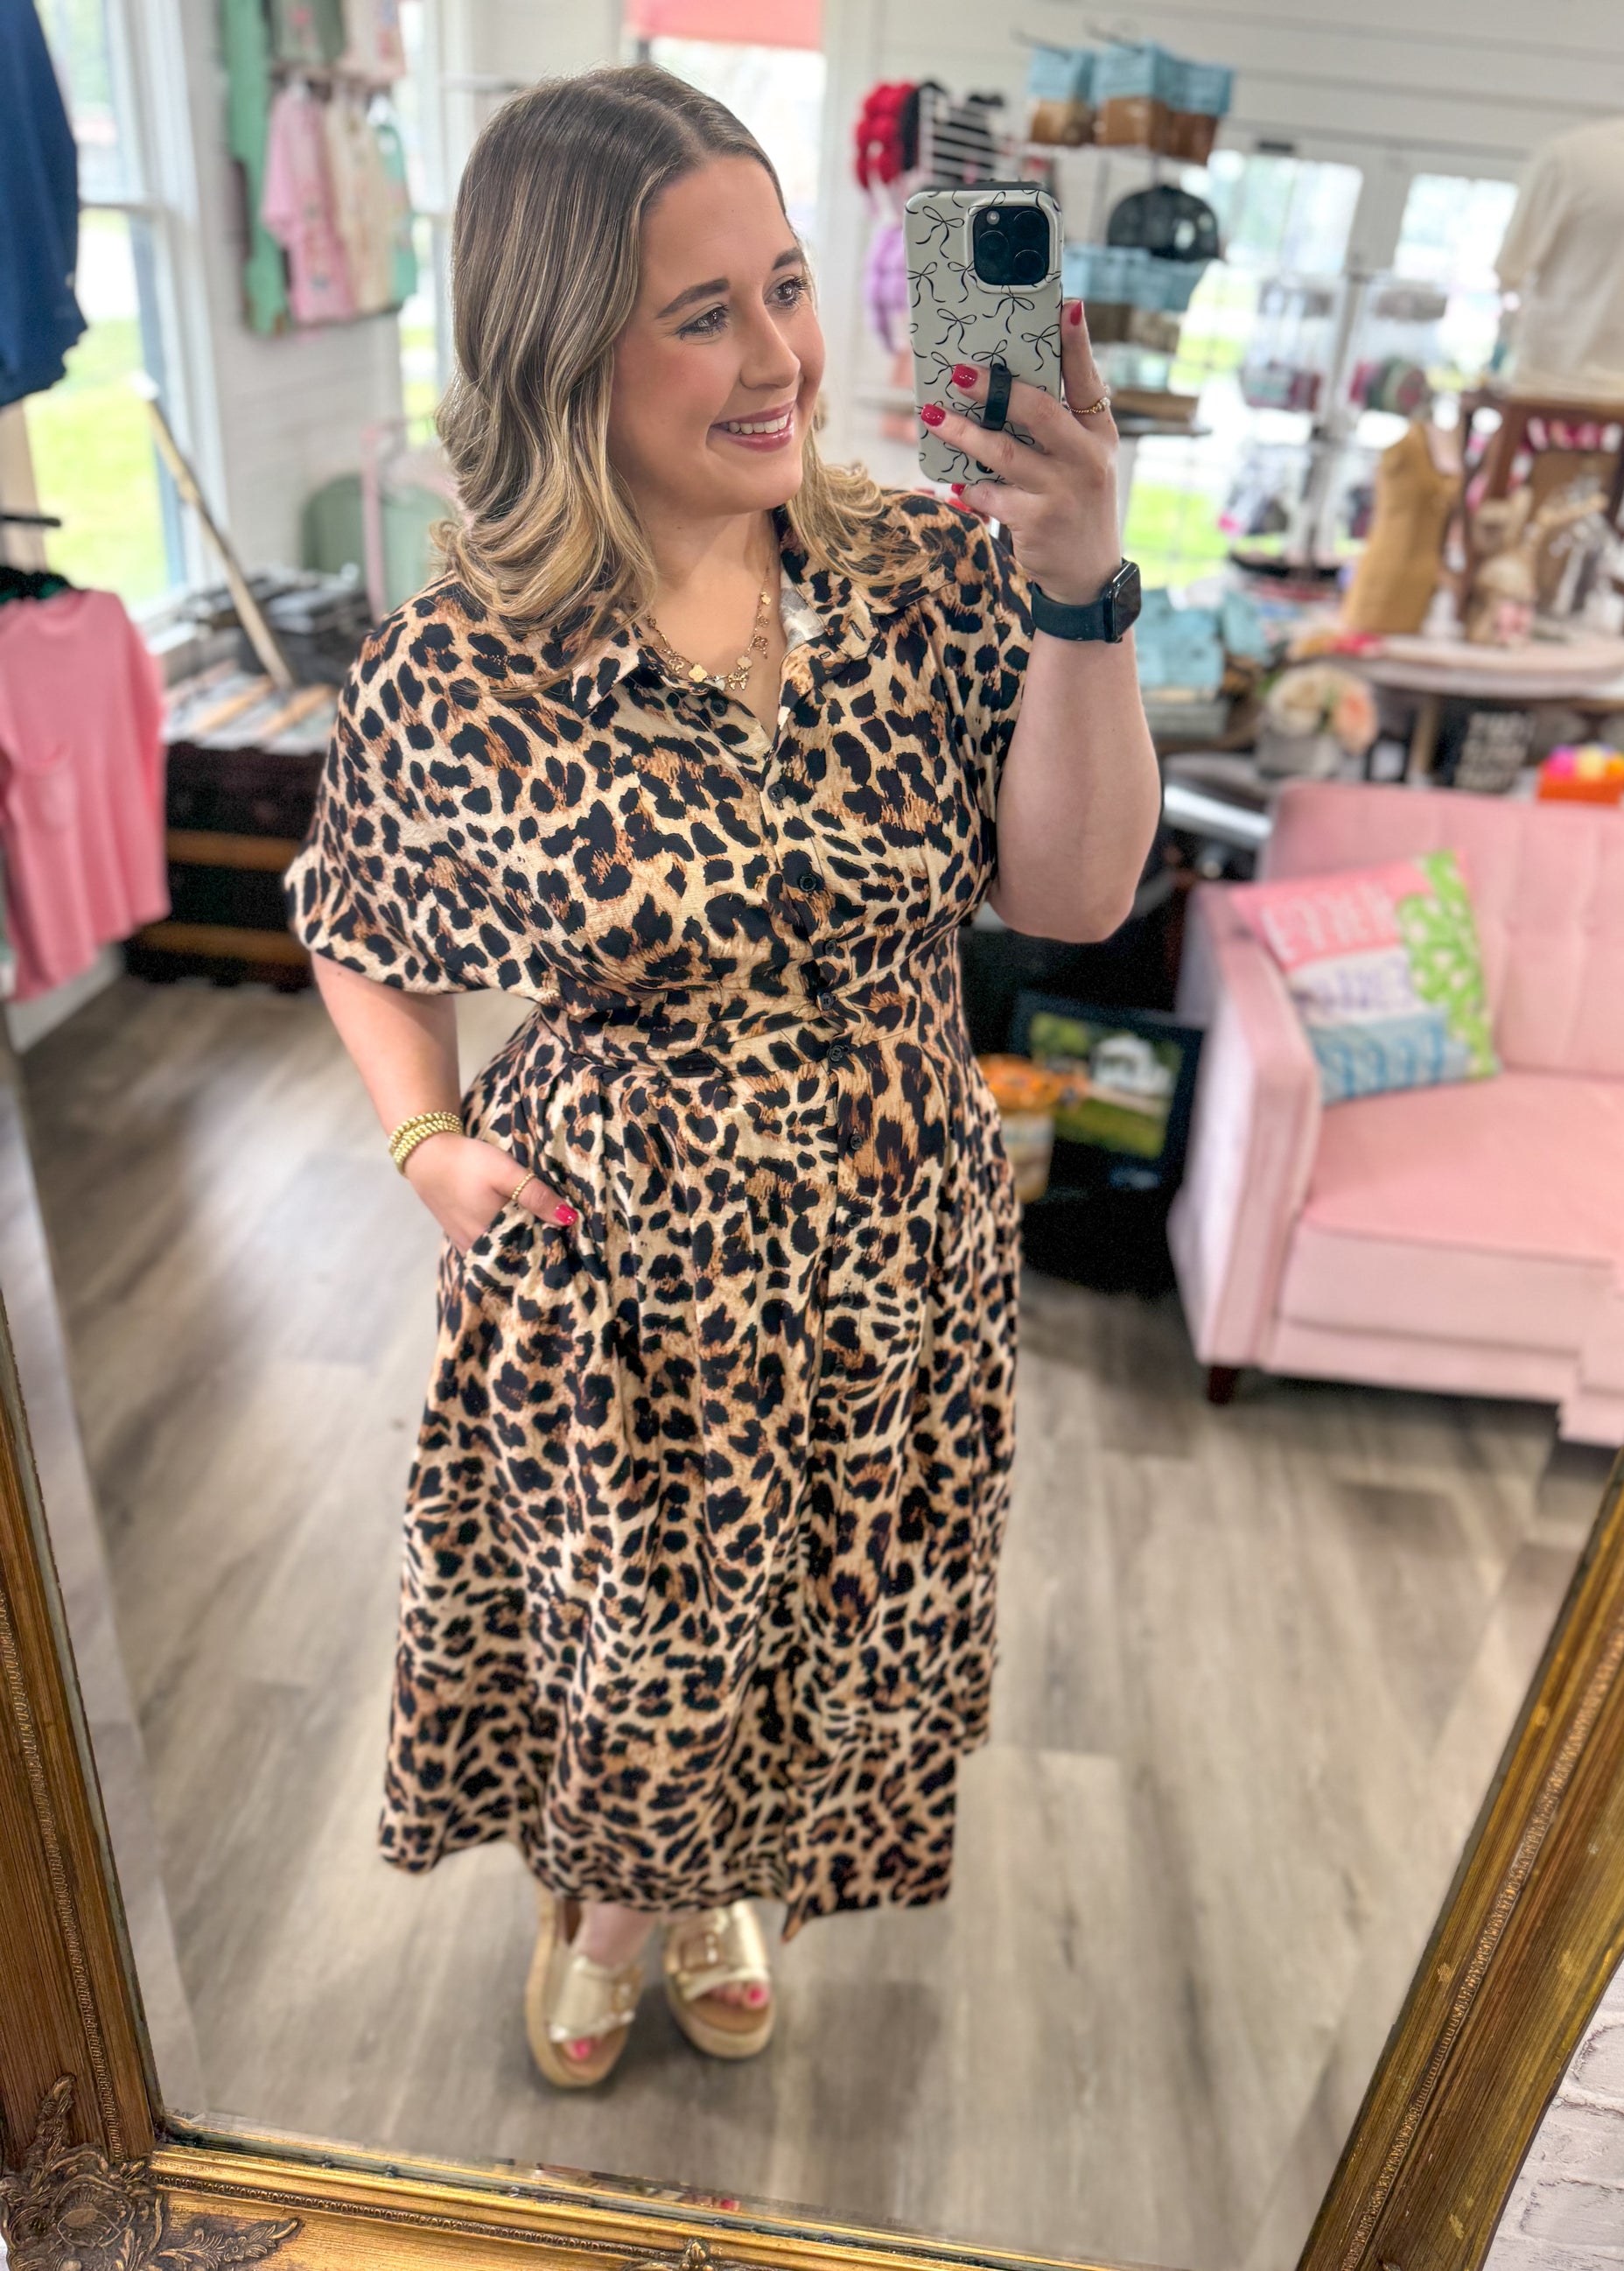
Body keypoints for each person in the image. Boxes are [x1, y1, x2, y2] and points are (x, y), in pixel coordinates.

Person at [284, 63, 1158, 2088]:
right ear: (558, 343)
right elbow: (353, 910)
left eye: (786, 283)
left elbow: (1076, 889)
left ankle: (715, 1881)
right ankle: (614, 1902)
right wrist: (427, 1140)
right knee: (638, 1647)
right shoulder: (465, 653)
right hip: (614, 1264)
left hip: (888, 1227)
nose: (779, 356)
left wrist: (1083, 570)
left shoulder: (937, 580)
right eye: (705, 312)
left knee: (824, 1632)